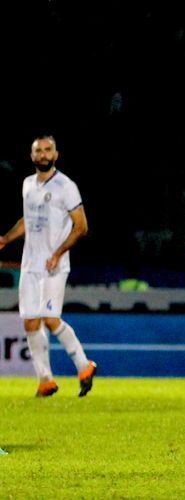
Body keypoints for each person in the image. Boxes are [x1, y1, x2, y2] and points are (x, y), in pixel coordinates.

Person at [0, 135, 97, 398]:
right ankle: (45, 380)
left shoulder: (67, 186)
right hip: (30, 264)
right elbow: (28, 219)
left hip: (54, 265)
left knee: (50, 319)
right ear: (32, 156)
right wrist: (7, 238)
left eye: (47, 150)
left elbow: (81, 226)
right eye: (38, 151)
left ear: (56, 154)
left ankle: (83, 365)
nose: (43, 155)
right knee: (30, 322)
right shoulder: (28, 185)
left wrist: (58, 252)